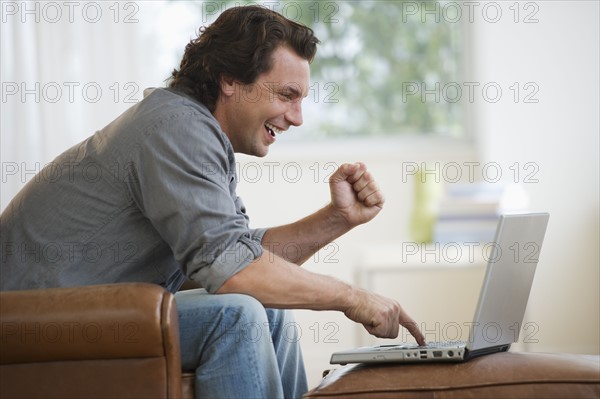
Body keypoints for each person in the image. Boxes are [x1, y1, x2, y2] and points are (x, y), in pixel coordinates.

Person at [0, 5, 425, 398]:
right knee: (236, 317)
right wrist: (353, 298)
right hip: (31, 324)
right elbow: (235, 272)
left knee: (269, 313)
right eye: (286, 95)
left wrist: (338, 219)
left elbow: (234, 259)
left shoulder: (192, 130)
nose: (297, 117)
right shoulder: (175, 128)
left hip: (80, 314)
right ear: (230, 81)